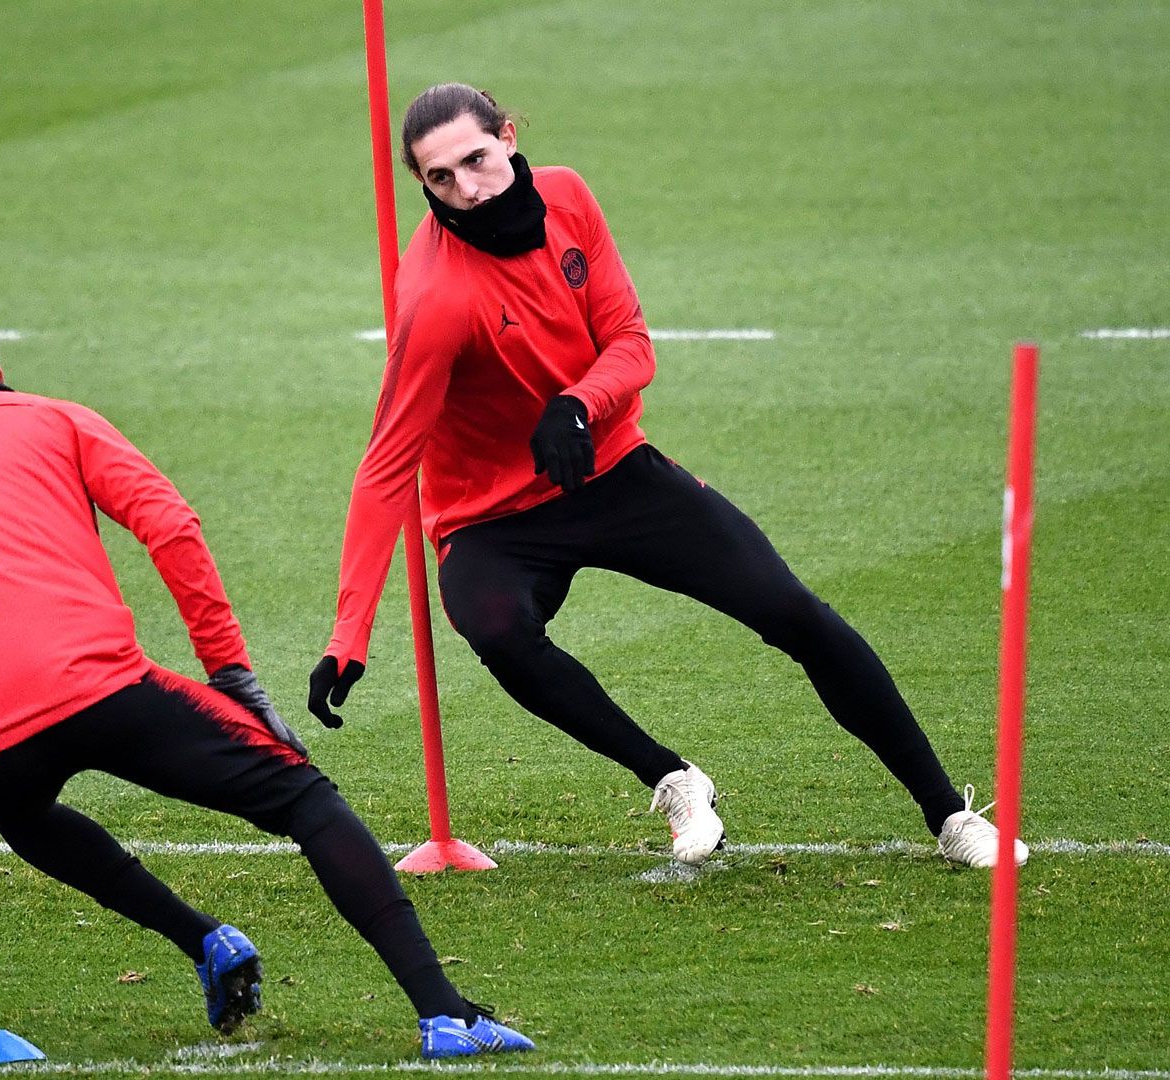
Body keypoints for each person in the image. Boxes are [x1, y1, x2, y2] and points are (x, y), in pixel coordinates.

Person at [306, 84, 1026, 870]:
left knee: (794, 613)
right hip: (492, 518)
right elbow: (384, 468)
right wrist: (350, 633)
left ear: (509, 138)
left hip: (612, 470)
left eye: (475, 160)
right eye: (439, 179)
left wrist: (580, 404)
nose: (466, 189)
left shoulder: (570, 197)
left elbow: (630, 340)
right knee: (498, 630)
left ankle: (950, 817)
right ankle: (674, 779)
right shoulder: (435, 300)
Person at [0, 290, 534, 1059]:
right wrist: (231, 674)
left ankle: (202, 940)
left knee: (18, 812)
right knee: (307, 801)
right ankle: (445, 1014)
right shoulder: (57, 419)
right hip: (105, 691)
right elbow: (170, 525)